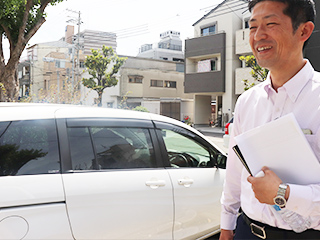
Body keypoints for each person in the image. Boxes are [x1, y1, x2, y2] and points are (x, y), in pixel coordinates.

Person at [219, 0, 320, 239]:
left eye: (271, 23)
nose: (258, 36)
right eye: (253, 27)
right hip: (247, 231)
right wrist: (226, 226)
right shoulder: (246, 101)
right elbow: (235, 173)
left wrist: (283, 194)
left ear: (304, 31)